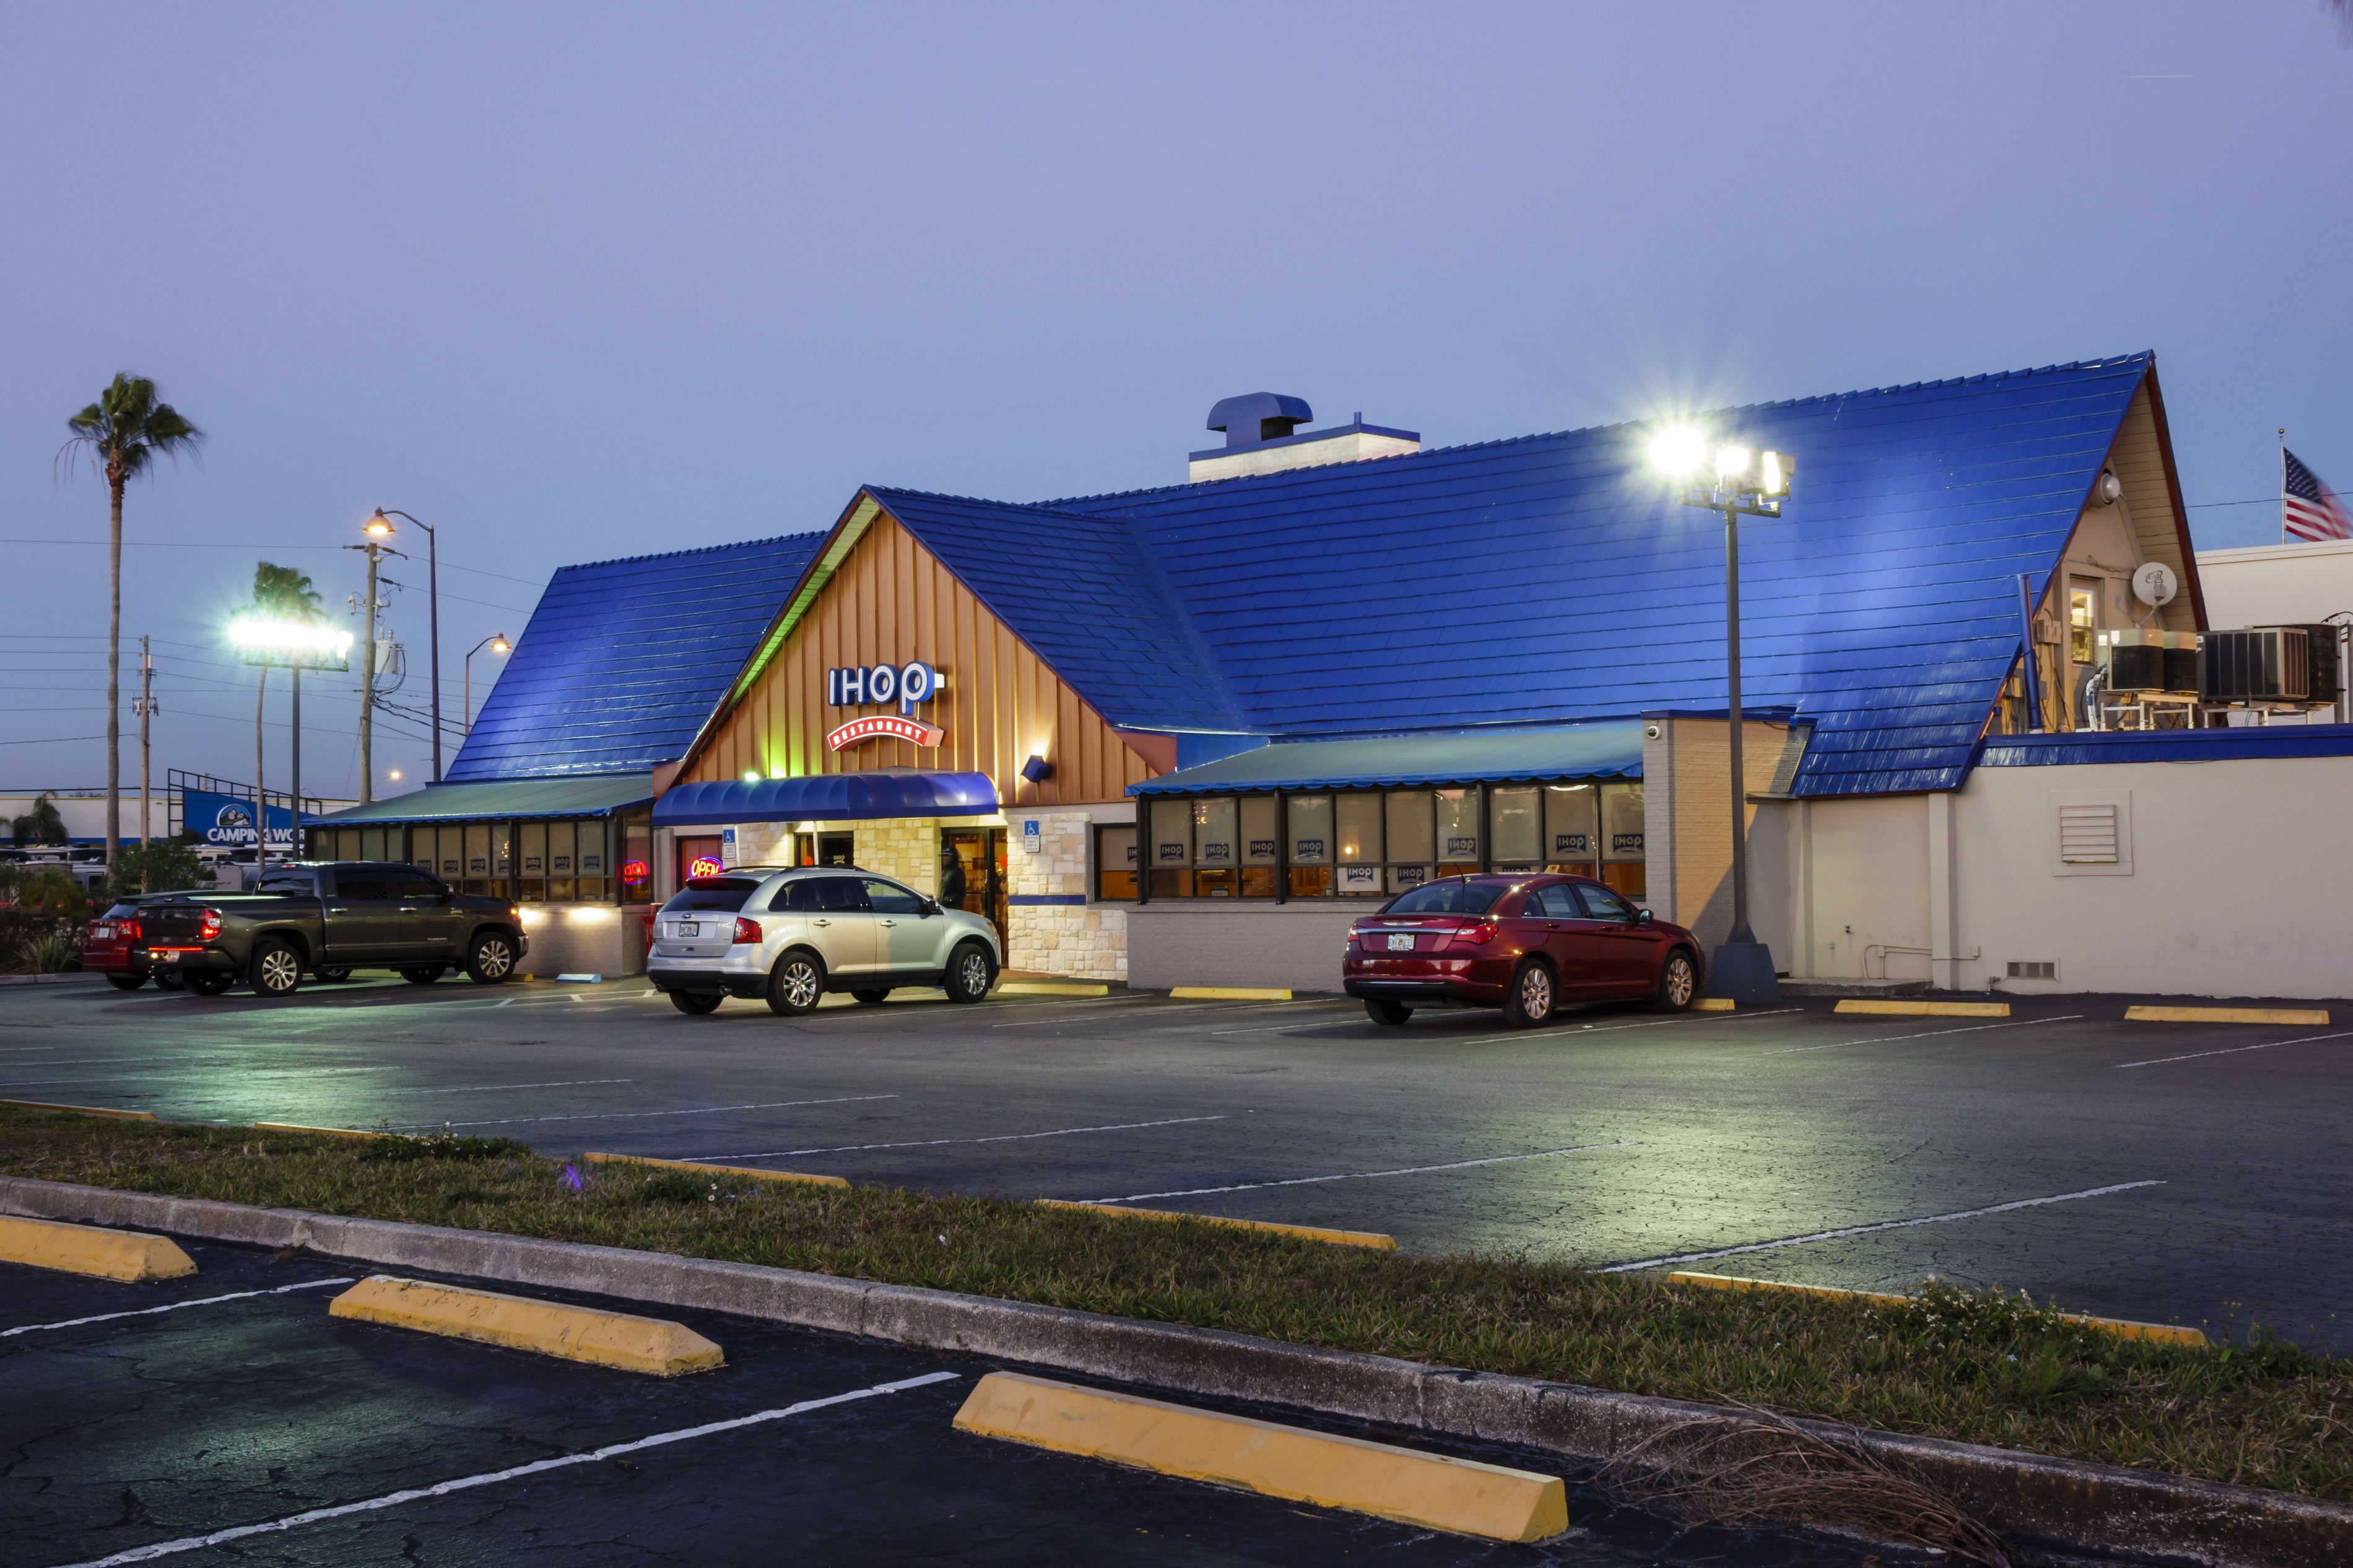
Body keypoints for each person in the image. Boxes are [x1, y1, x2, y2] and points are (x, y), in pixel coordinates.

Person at [939, 846, 968, 911]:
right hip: (944, 908)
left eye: (947, 856)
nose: (944, 858)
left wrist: (947, 899)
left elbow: (961, 894)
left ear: (954, 858)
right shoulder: (944, 872)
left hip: (954, 909)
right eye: (944, 856)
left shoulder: (958, 872)